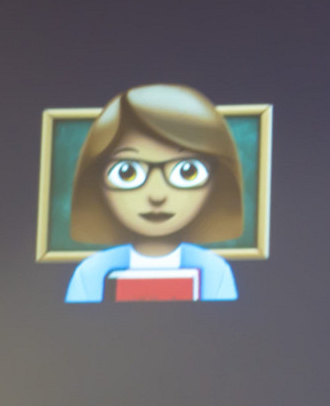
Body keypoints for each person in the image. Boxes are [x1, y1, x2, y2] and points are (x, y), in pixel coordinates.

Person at [63, 84, 242, 303]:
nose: (157, 196)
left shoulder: (215, 270)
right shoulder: (91, 272)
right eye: (127, 172)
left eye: (187, 171)